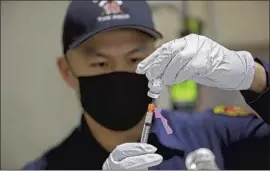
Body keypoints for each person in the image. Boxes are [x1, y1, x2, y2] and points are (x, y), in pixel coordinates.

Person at [23, 1, 269, 170]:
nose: (120, 74)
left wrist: (254, 76)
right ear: (67, 71)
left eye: (135, 59)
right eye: (100, 63)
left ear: (157, 55)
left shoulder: (218, 134)